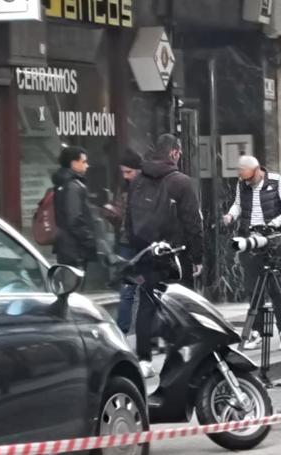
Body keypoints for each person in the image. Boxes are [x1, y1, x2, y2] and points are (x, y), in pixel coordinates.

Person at [127, 134, 204, 376]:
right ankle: (179, 358)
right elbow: (193, 223)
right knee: (181, 305)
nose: (179, 157)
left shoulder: (137, 180)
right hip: (175, 255)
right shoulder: (182, 182)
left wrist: (136, 250)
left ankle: (143, 360)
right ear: (172, 152)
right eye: (179, 153)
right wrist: (198, 258)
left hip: (146, 252)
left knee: (146, 304)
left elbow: (128, 220)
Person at [223, 155, 281, 351]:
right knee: (252, 288)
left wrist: (275, 223)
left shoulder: (279, 182)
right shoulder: (242, 185)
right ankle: (257, 331)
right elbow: (238, 204)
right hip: (249, 240)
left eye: (248, 178)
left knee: (275, 287)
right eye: (242, 178)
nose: (245, 182)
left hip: (272, 240)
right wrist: (231, 215)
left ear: (257, 170)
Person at [102, 149, 143, 334]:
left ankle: (151, 333)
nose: (126, 176)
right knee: (127, 290)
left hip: (145, 244)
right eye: (123, 172)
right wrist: (113, 212)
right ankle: (122, 330)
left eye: (129, 172)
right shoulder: (123, 188)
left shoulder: (148, 186)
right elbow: (121, 213)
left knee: (148, 290)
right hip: (126, 242)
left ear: (138, 170)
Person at [52, 146, 96, 270]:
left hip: (67, 246)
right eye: (84, 162)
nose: (87, 166)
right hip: (75, 248)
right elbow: (74, 219)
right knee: (74, 285)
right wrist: (88, 238)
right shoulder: (72, 186)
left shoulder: (64, 183)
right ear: (73, 163)